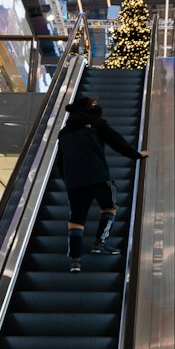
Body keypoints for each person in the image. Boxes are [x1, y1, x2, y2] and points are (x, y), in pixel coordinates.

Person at [57, 94, 147, 273]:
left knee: (76, 220)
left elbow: (60, 160)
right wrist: (135, 154)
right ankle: (100, 242)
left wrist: (67, 179)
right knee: (109, 205)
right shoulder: (96, 123)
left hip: (74, 181)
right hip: (98, 176)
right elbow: (116, 141)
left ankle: (75, 260)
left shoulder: (64, 132)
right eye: (94, 104)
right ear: (89, 107)